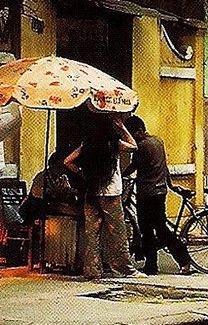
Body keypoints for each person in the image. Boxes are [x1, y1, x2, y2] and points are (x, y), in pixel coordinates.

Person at [64, 111, 142, 279]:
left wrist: (82, 173)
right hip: (111, 193)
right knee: (117, 232)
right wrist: (122, 128)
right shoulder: (113, 143)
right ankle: (125, 268)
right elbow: (134, 146)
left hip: (91, 192)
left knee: (92, 232)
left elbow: (67, 162)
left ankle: (92, 270)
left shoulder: (87, 145)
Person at [124, 116, 191, 275]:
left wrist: (120, 175)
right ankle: (157, 264)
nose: (131, 138)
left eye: (132, 134)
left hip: (147, 192)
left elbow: (134, 167)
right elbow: (164, 166)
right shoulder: (158, 141)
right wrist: (170, 185)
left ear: (139, 131)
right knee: (159, 228)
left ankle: (173, 261)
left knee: (150, 230)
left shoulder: (142, 146)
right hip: (160, 191)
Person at [20, 151, 81, 224]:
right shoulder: (42, 177)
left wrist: (71, 192)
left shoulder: (63, 178)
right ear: (52, 165)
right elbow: (38, 195)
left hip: (51, 207)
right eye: (59, 166)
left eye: (63, 167)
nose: (63, 170)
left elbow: (67, 192)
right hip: (35, 210)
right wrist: (54, 193)